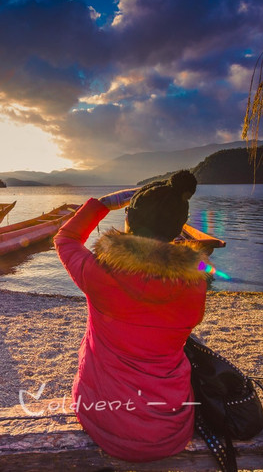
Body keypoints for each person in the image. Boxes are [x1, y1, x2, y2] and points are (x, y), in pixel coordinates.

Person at [54, 170, 209, 462]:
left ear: (129, 221)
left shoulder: (98, 272)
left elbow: (66, 239)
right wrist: (188, 255)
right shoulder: (196, 285)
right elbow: (208, 270)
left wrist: (101, 205)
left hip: (104, 419)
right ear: (178, 227)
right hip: (171, 427)